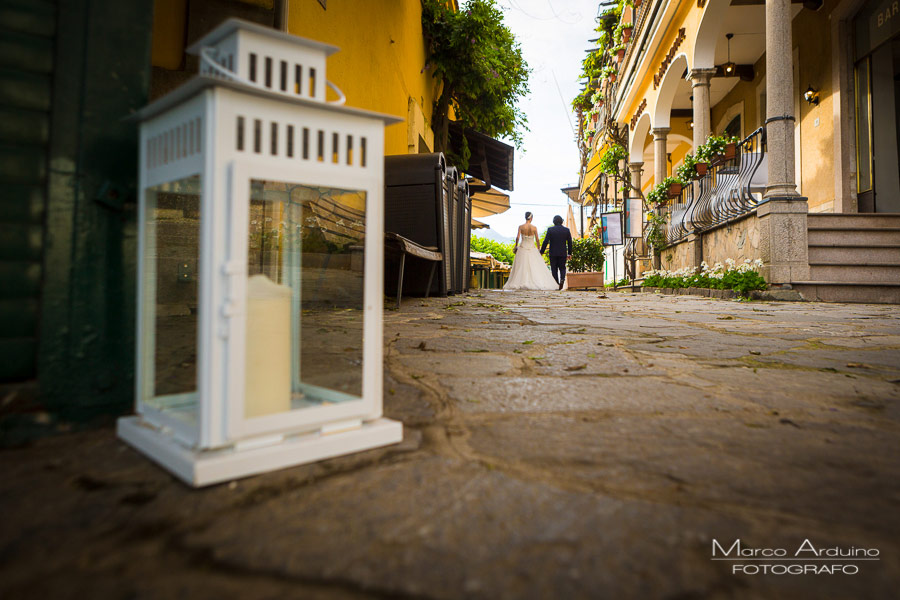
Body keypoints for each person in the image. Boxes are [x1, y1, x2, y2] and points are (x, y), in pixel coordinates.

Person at [503, 212, 559, 291]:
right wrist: (539, 249)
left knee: (521, 266)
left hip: (522, 248)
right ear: (531, 218)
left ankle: (521, 281)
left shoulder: (521, 227)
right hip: (532, 248)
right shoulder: (534, 228)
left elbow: (517, 238)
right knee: (535, 266)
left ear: (525, 217)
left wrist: (516, 246)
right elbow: (537, 240)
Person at [540, 215, 573, 290]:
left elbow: (546, 241)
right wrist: (569, 253)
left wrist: (542, 251)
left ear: (554, 221)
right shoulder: (566, 230)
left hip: (553, 253)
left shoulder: (550, 230)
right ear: (561, 221)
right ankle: (562, 279)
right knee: (562, 267)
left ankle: (556, 284)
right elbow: (570, 242)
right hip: (562, 252)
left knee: (554, 269)